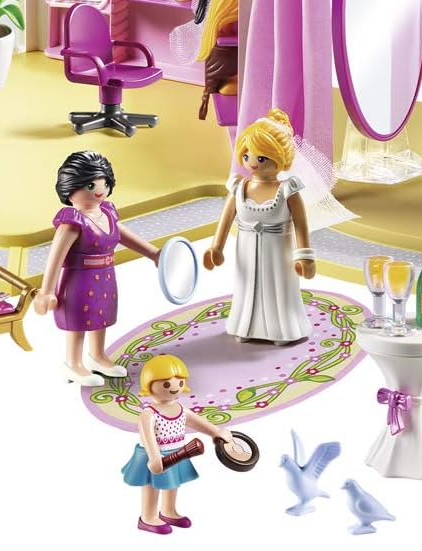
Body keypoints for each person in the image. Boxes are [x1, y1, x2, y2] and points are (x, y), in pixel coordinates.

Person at [33, 151, 160, 386]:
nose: (99, 189)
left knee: (100, 316)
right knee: (79, 320)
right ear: (70, 188)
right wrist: (47, 291)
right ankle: (73, 363)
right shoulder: (72, 222)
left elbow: (123, 235)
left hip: (105, 276)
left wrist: (153, 253)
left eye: (104, 183)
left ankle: (98, 356)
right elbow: (55, 257)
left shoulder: (107, 213)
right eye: (91, 185)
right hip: (79, 280)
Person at [203, 109, 316, 344]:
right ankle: (245, 327)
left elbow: (301, 226)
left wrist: (305, 257)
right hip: (245, 251)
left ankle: (282, 330)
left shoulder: (288, 190)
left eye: (261, 158)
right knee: (247, 287)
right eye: (247, 155)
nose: (252, 162)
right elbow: (226, 219)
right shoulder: (239, 187)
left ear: (280, 159)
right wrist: (216, 248)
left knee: (278, 289)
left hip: (279, 253)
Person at [123, 355, 257, 534]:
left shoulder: (180, 409)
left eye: (180, 383)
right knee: (151, 485)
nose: (174, 388)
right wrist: (154, 457)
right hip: (154, 455)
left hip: (178, 452)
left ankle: (168, 511)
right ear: (149, 385)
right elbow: (148, 437)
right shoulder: (149, 414)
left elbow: (197, 422)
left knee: (172, 483)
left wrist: (215, 432)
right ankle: (147, 516)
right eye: (166, 384)